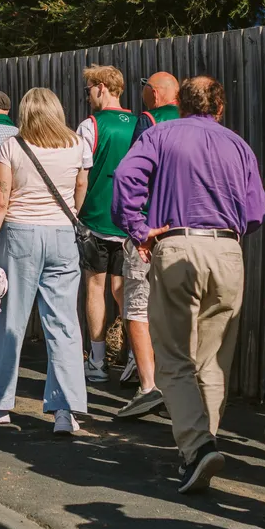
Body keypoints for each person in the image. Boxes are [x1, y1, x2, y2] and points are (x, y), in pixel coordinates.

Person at [112, 76, 265, 493]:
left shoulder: (160, 135)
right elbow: (256, 212)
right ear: (220, 108)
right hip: (228, 249)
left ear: (181, 103)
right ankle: (201, 447)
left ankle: (198, 449)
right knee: (213, 360)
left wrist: (138, 228)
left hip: (178, 243)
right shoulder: (239, 145)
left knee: (174, 357)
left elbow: (125, 178)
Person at [0, 88, 90, 434]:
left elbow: (0, 199)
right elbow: (81, 186)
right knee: (64, 324)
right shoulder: (77, 144)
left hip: (21, 234)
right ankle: (65, 410)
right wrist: (70, 214)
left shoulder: (12, 146)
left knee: (12, 321)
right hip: (63, 234)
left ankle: (0, 404)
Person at [116, 71, 180, 419]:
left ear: (154, 94)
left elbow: (132, 175)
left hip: (151, 228)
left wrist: (138, 228)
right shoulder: (197, 124)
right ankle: (179, 389)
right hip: (187, 231)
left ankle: (149, 386)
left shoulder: (149, 122)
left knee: (138, 307)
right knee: (179, 311)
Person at [77, 64, 136, 384]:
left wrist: (75, 213)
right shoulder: (141, 123)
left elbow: (81, 176)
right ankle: (135, 358)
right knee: (125, 290)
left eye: (88, 90)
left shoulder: (90, 125)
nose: (87, 96)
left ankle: (97, 362)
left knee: (96, 288)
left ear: (101, 87)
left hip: (96, 218)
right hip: (131, 221)